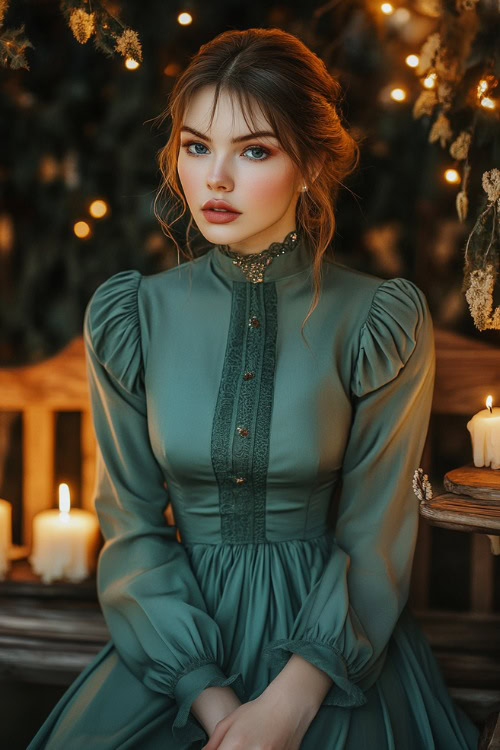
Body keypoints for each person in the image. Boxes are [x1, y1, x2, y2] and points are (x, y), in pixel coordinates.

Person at [27, 27, 480, 750]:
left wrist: (286, 706)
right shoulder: (132, 317)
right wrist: (211, 703)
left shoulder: (377, 320)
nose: (215, 178)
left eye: (255, 151)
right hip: (173, 650)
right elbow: (133, 526)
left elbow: (377, 532)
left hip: (332, 647)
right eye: (197, 145)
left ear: (309, 166)